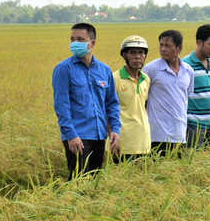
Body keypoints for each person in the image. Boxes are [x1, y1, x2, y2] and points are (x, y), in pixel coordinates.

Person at [52, 23, 120, 179]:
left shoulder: (104, 70)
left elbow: (111, 104)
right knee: (78, 182)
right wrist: (71, 135)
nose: (75, 43)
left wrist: (114, 129)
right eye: (72, 39)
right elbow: (61, 106)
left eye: (80, 39)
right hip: (77, 137)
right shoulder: (63, 69)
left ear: (93, 43)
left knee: (94, 180)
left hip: (98, 135)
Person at [142, 30, 195, 156]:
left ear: (179, 48)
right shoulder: (151, 69)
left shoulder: (188, 71)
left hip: (180, 134)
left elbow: (185, 100)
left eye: (168, 46)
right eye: (161, 45)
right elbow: (141, 99)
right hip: (157, 135)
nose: (163, 49)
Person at [181, 25, 210, 150]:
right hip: (194, 126)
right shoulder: (185, 65)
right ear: (199, 42)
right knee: (191, 162)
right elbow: (180, 97)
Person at [112, 35, 150, 163]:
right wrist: (112, 138)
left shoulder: (146, 79)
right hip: (123, 142)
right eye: (132, 52)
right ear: (124, 55)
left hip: (143, 141)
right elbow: (107, 110)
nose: (138, 56)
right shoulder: (115, 78)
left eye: (141, 53)